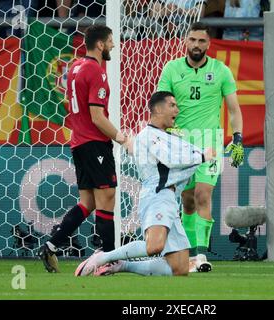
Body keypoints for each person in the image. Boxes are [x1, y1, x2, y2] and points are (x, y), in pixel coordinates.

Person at [74, 91, 216, 277]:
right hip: (157, 196)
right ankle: (104, 256)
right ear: (157, 109)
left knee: (180, 268)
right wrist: (202, 155)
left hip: (169, 200)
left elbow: (182, 160)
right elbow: (171, 159)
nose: (177, 109)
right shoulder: (149, 135)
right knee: (154, 245)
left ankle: (121, 265)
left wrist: (208, 153)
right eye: (172, 105)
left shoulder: (165, 136)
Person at [38, 24, 128, 273]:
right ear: (100, 44)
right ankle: (108, 258)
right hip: (94, 142)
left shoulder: (76, 66)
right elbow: (98, 117)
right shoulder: (96, 71)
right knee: (106, 197)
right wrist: (123, 139)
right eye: (110, 41)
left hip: (78, 141)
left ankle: (52, 245)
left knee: (87, 202)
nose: (112, 45)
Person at [157, 22, 244, 272]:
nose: (197, 45)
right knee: (187, 203)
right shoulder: (172, 69)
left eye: (201, 41)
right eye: (193, 40)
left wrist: (237, 138)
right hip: (180, 142)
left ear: (209, 43)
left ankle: (202, 256)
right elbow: (161, 105)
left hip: (210, 141)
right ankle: (189, 253)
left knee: (203, 194)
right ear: (186, 41)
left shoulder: (221, 71)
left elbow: (234, 110)